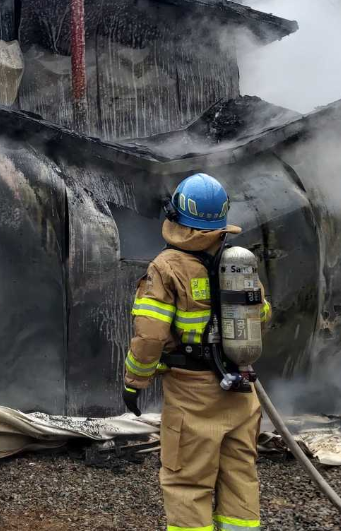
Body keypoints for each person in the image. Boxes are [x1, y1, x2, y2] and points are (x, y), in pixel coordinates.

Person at [121, 173, 271, 531]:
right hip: (241, 391)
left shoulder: (166, 267)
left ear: (176, 218)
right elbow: (262, 314)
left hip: (192, 394)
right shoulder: (236, 260)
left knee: (187, 482)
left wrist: (134, 382)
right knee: (240, 479)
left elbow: (150, 336)